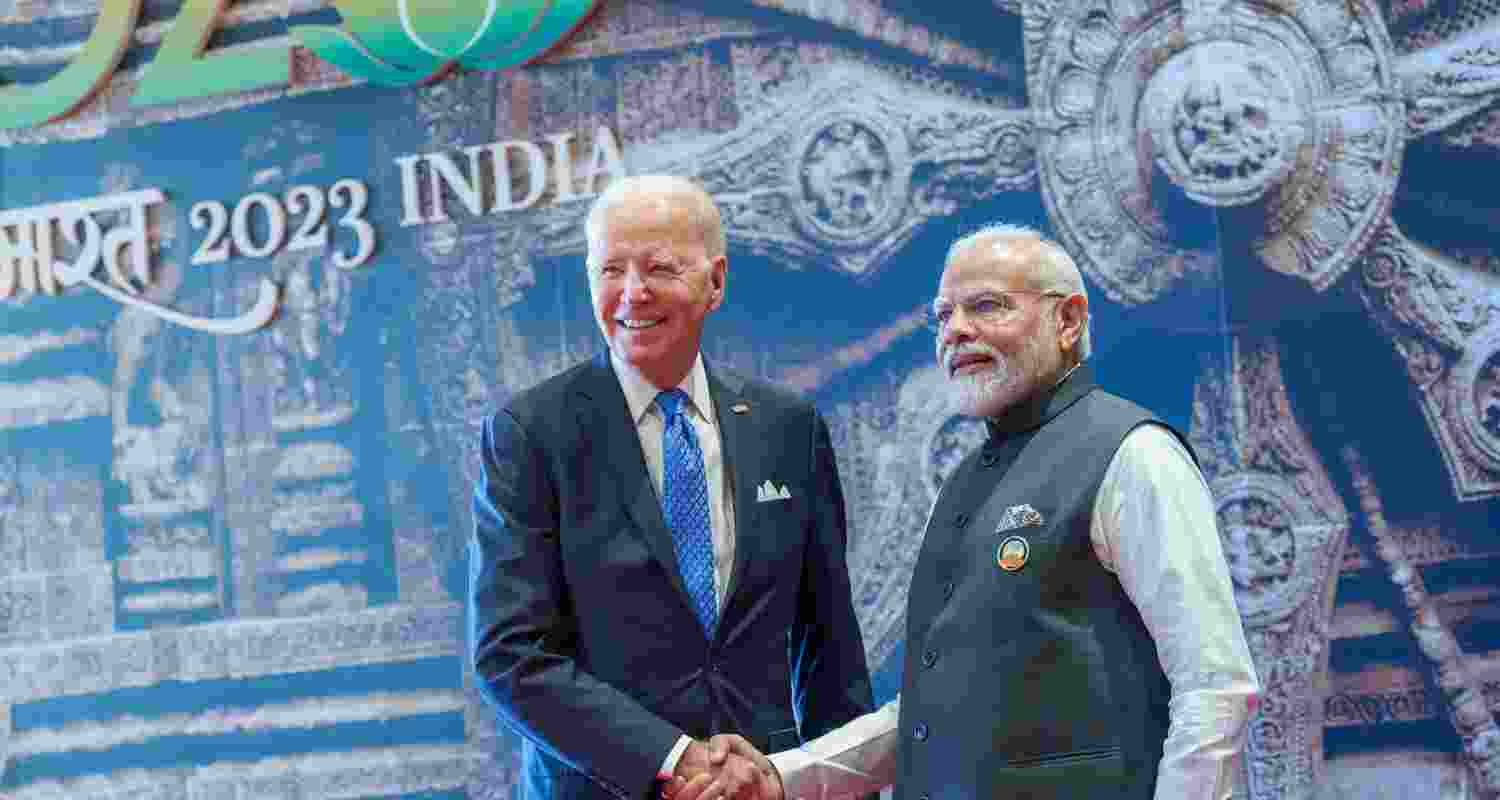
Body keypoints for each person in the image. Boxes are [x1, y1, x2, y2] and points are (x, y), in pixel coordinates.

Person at [672, 224, 1260, 800]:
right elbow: (931, 716)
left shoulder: (1134, 454)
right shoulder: (963, 483)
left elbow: (1216, 688)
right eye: (943, 315)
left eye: (986, 306)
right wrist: (783, 776)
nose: (956, 331)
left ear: (1069, 320)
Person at [468, 175, 875, 800]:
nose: (633, 292)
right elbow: (510, 654)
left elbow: (830, 652)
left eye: (659, 267)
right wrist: (674, 758)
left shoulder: (789, 429)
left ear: (715, 281)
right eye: (611, 270)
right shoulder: (530, 435)